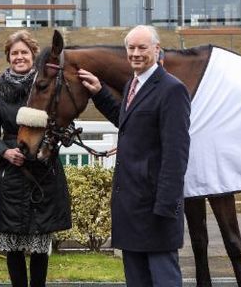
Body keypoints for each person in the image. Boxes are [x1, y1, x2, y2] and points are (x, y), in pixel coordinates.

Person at [77, 25, 191, 287]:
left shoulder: (172, 90)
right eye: (131, 48)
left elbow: (176, 153)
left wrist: (165, 207)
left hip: (156, 209)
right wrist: (100, 93)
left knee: (163, 280)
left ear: (157, 49)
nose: (136, 53)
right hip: (131, 207)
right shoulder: (132, 84)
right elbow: (129, 122)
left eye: (142, 47)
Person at [0, 30, 71, 287]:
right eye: (14, 53)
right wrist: (4, 152)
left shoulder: (49, 86)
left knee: (40, 245)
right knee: (14, 247)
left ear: (33, 55)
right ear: (8, 57)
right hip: (10, 175)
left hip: (42, 174)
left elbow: (63, 122)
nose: (19, 57)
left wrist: (47, 146)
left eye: (24, 52)